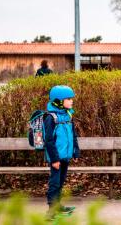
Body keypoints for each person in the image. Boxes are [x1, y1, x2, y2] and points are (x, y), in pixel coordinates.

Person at [44, 85, 80, 220]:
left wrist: (76, 152)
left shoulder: (68, 115)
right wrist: (54, 159)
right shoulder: (51, 117)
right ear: (59, 101)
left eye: (71, 99)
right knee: (54, 183)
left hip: (65, 156)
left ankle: (58, 205)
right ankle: (50, 211)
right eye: (68, 99)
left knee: (61, 181)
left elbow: (73, 135)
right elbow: (49, 140)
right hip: (56, 158)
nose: (72, 101)